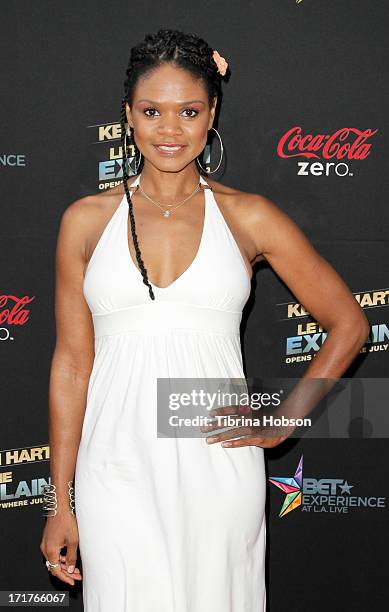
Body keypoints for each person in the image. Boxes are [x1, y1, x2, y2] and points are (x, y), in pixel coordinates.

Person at [39, 28, 369, 611]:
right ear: (128, 116)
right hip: (114, 465)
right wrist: (60, 502)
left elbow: (348, 322)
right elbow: (71, 366)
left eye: (188, 111)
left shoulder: (249, 216)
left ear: (212, 112)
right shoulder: (85, 221)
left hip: (216, 461)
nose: (170, 129)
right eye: (152, 111)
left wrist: (284, 420)